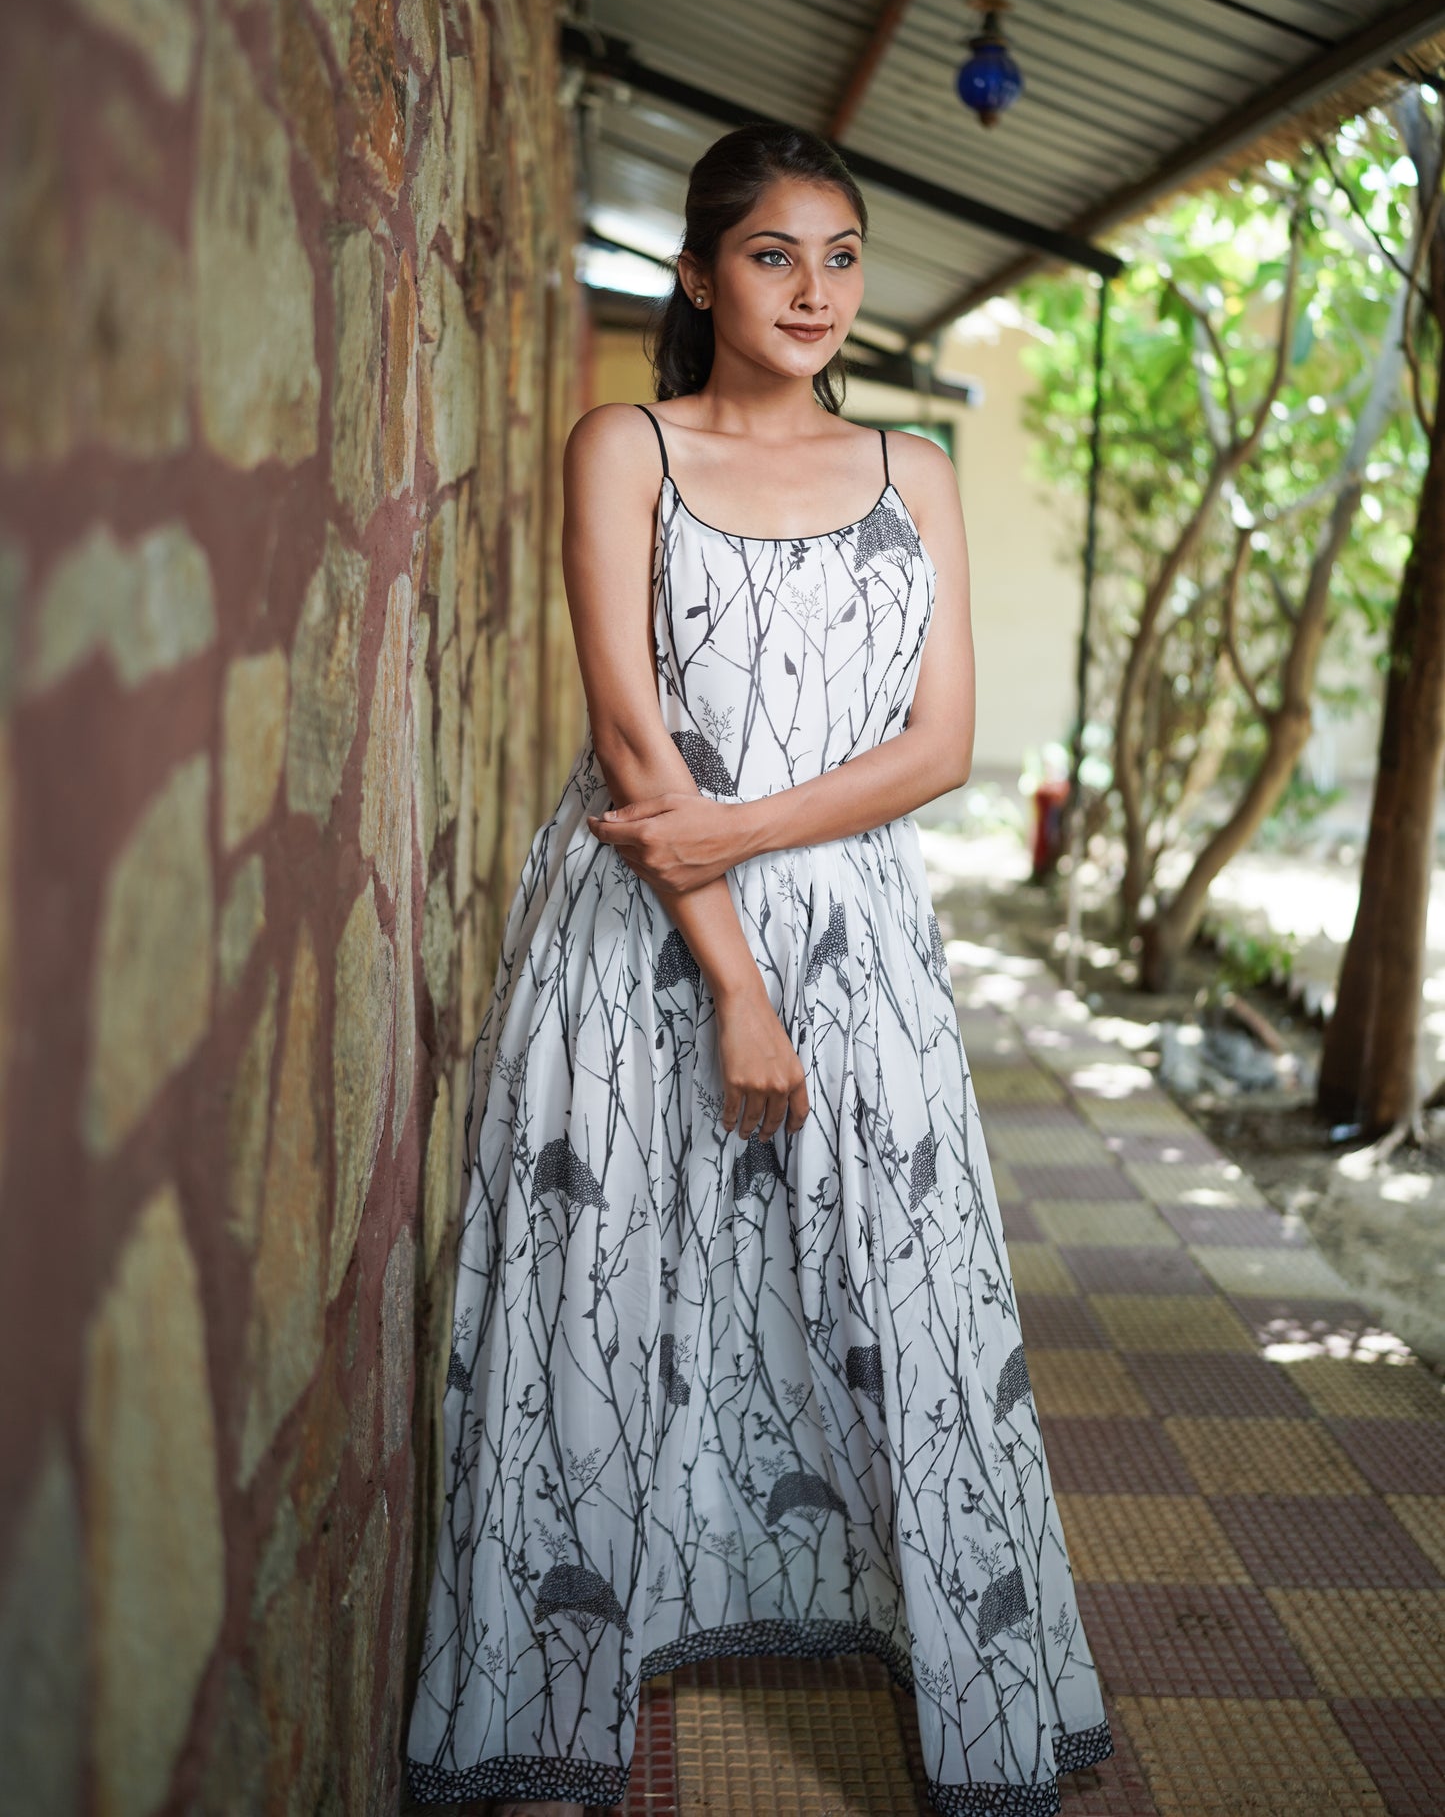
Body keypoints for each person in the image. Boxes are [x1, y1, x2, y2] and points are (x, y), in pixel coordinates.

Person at [404, 123, 1113, 1815]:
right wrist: (729, 970)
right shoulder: (621, 444)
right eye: (775, 254)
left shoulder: (914, 468)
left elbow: (937, 746)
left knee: (902, 1285)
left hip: (859, 938)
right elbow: (630, 739)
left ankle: (941, 1656)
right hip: (641, 943)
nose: (814, 290)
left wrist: (749, 833)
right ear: (701, 274)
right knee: (622, 1279)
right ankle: (572, 1668)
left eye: (842, 255)